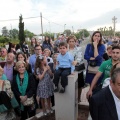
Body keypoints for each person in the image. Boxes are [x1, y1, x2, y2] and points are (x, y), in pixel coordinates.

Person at [67, 35, 84, 101]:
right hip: (68, 69)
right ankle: (71, 99)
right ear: (68, 42)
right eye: (70, 41)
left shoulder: (78, 49)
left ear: (75, 42)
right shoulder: (66, 49)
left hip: (78, 69)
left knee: (79, 85)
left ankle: (78, 98)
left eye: (73, 41)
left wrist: (76, 61)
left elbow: (79, 58)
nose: (71, 43)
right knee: (70, 85)